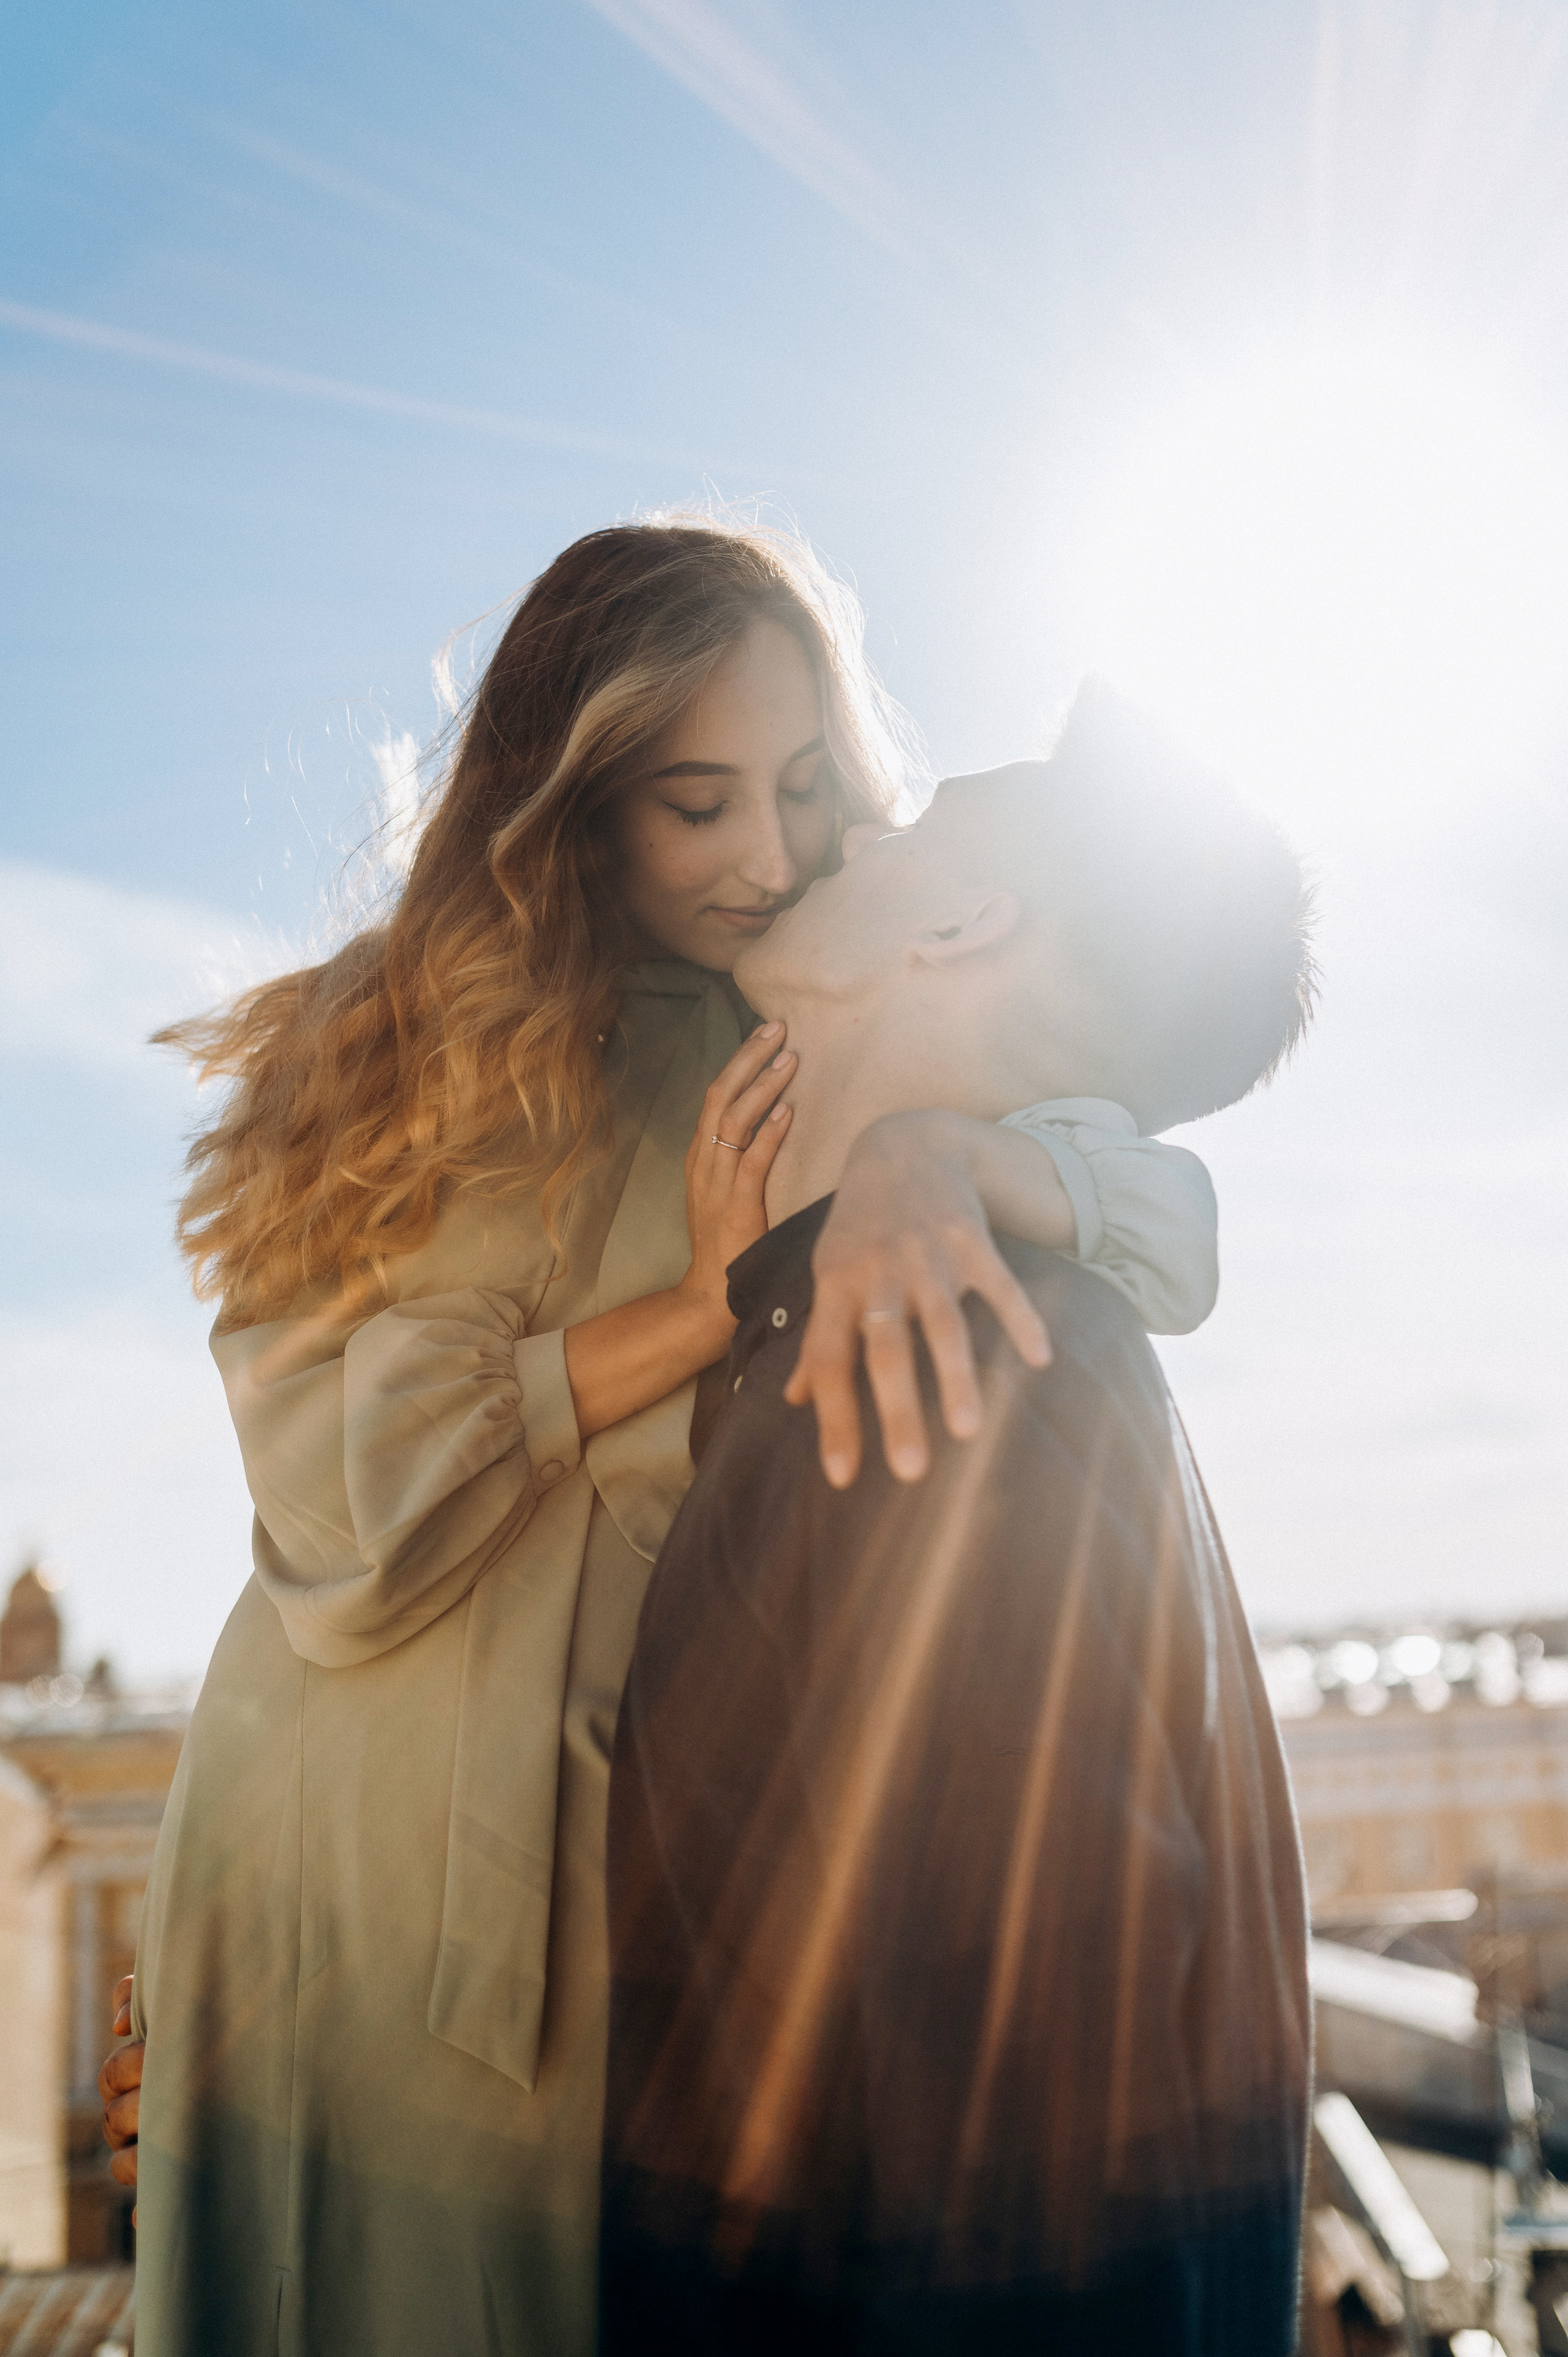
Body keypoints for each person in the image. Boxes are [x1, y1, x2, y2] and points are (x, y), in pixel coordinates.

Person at [103, 524, 1221, 2357]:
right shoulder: (367, 1048)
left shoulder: (820, 1013)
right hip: (340, 1819)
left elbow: (1167, 1222)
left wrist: (953, 1159)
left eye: (801, 788)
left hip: (626, 1823)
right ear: (575, 800)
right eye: (698, 804)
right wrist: (702, 1308)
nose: (768, 859)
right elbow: (333, 1513)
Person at [600, 681, 1316, 2356]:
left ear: (967, 919)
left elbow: (1037, 2224)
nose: (842, 832)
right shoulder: (1002, 1336)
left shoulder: (918, 1390)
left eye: (907, 829)